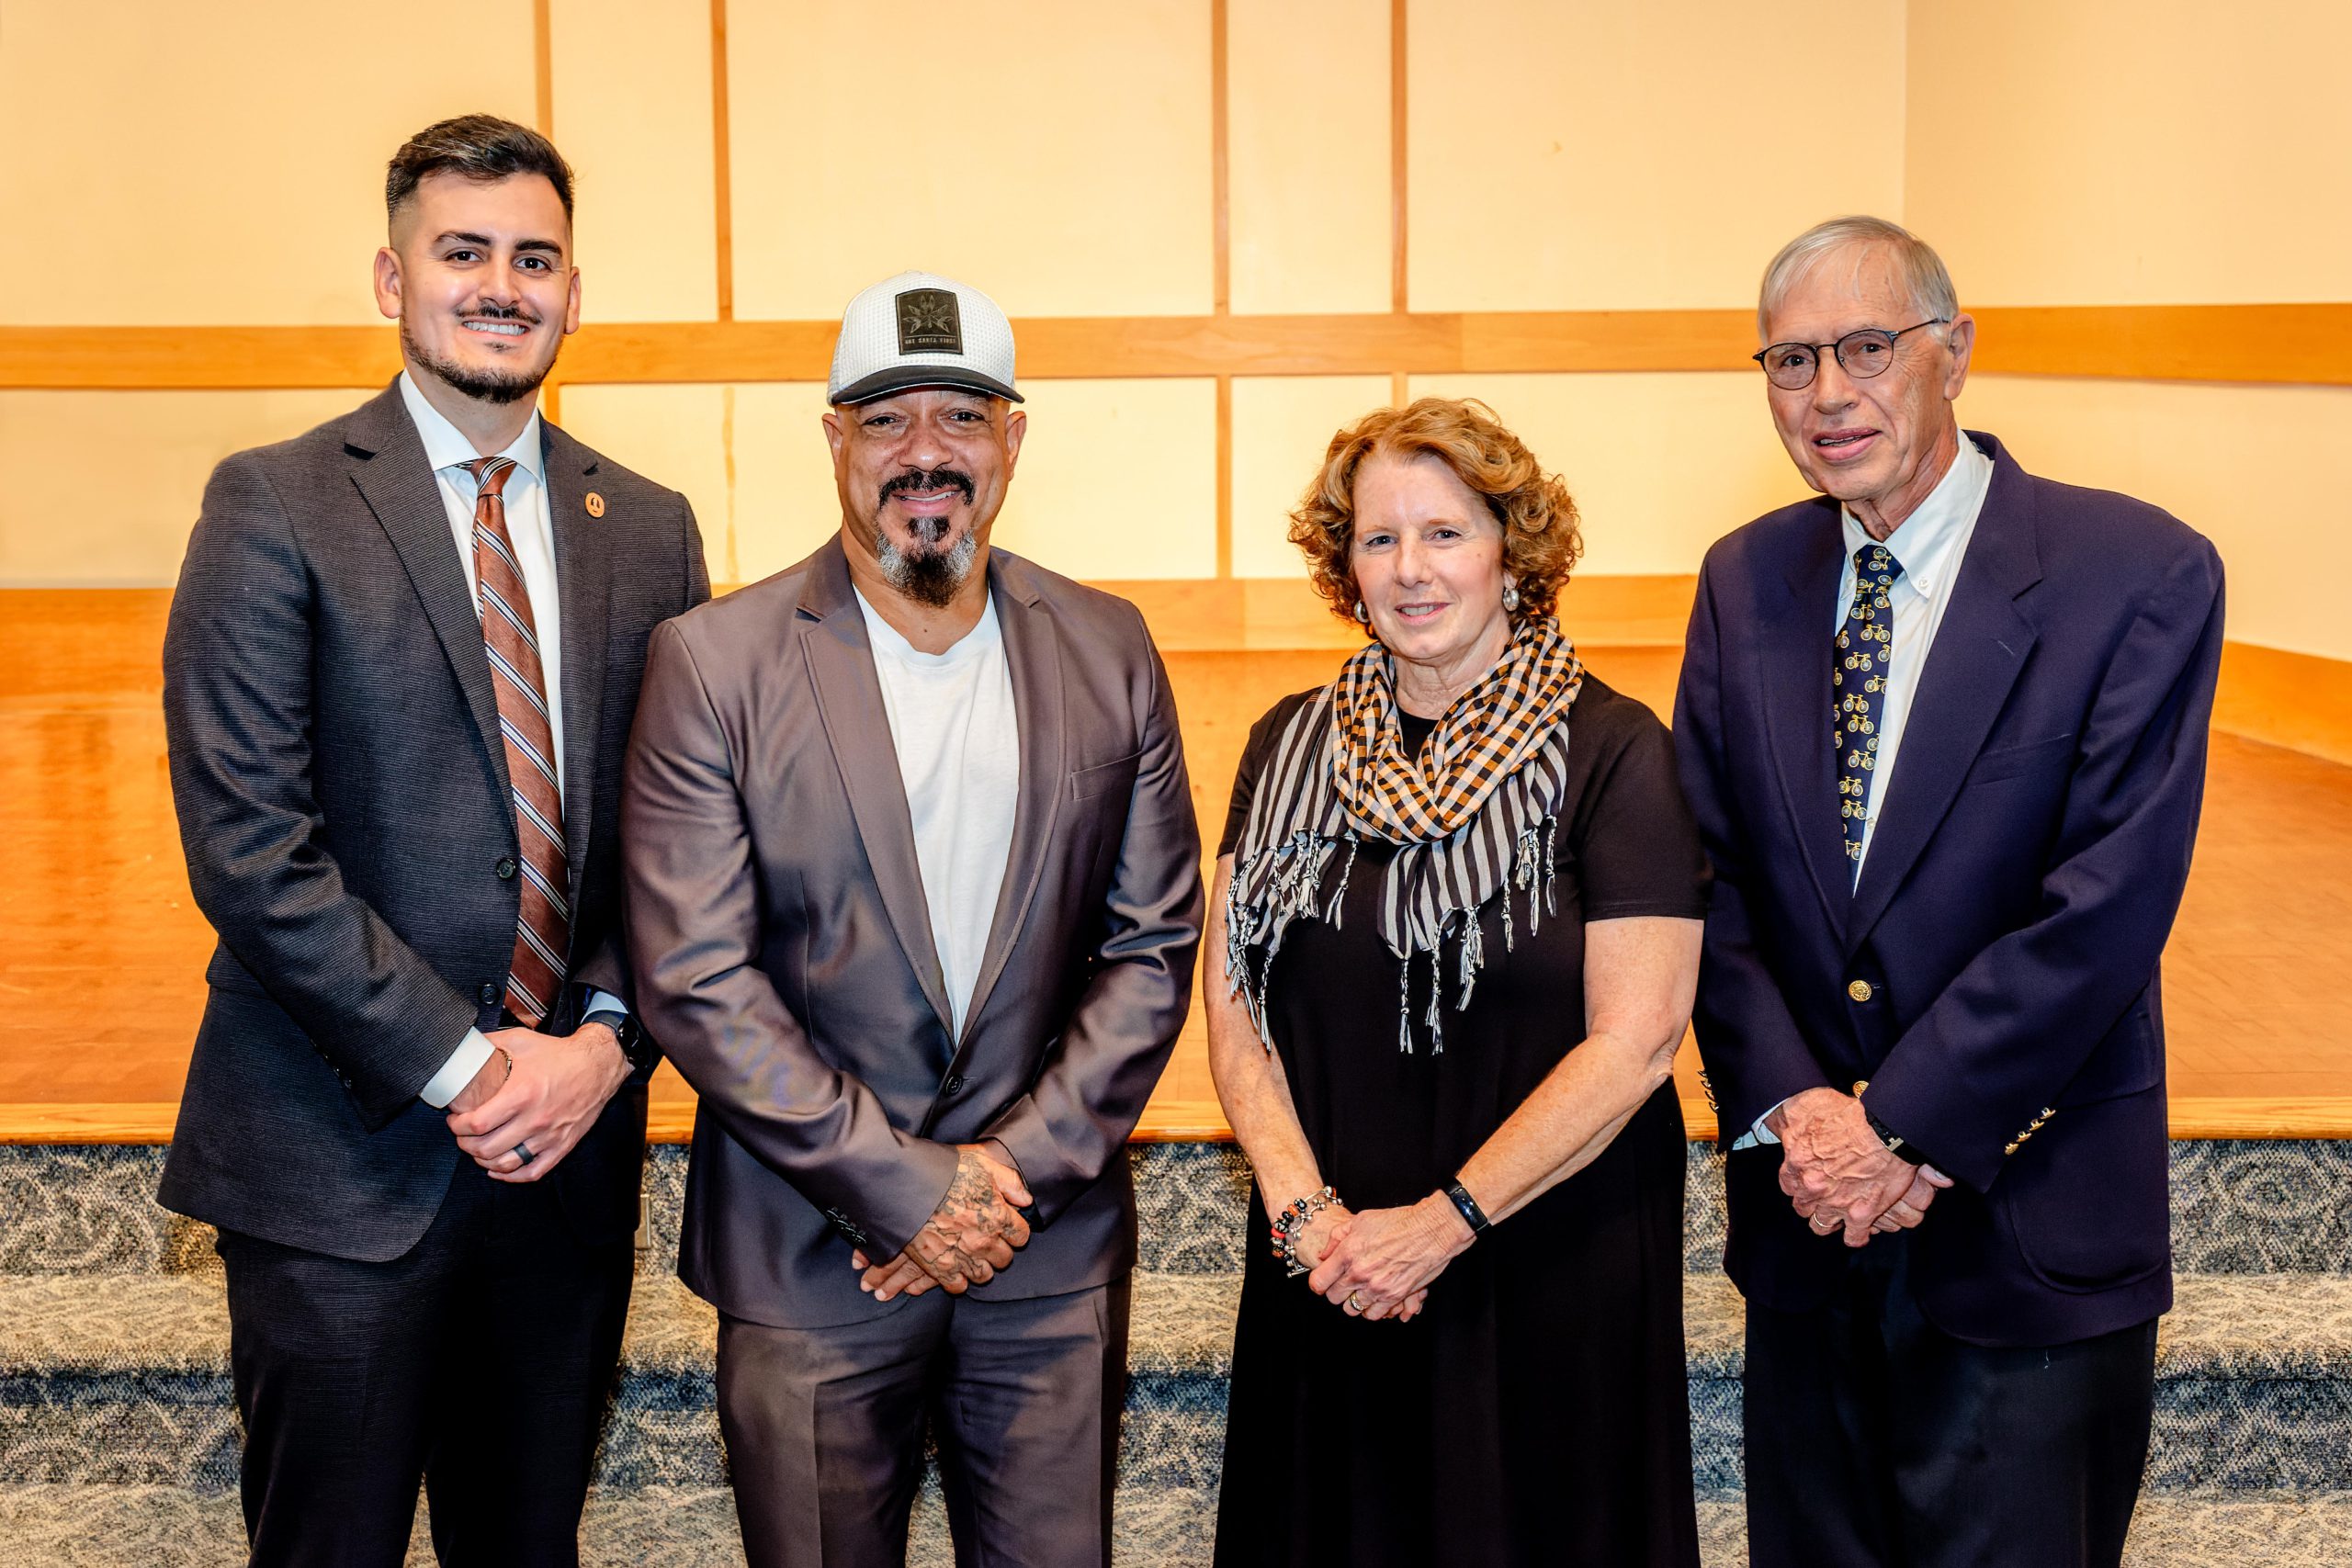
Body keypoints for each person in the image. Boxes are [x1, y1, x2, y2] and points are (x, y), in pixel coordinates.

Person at [158, 114, 708, 1564]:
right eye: (462, 252)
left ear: (576, 291)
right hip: (344, 1158)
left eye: (535, 257)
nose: (501, 285)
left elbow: (677, 838)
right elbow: (249, 847)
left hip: (570, 1159)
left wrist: (598, 1040)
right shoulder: (273, 502)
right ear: (392, 280)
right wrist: (470, 1068)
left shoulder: (648, 528)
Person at [620, 269, 1203, 1568]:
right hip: (808, 1248)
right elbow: (696, 972)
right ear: (834, 438)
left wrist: (1001, 1179)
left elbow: (1153, 943)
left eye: (961, 416)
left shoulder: (1109, 646)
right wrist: (900, 1188)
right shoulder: (714, 662)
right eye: (886, 421)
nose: (925, 453)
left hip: (1041, 1253)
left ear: (1013, 437)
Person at [1673, 215, 2225, 1568]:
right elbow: (1709, 878)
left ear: (1955, 352)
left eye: (1868, 346)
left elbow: (2102, 908)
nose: (1827, 393)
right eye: (1791, 358)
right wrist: (1799, 1107)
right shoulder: (1747, 580)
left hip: (2023, 1230)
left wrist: (1901, 1127)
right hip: (1809, 1231)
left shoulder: (2137, 575)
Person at [1206, 398, 1710, 1567]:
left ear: (1511, 549)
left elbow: (1636, 1041)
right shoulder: (1286, 744)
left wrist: (1440, 1227)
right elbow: (1232, 1008)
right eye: (1376, 540)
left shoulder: (1616, 751)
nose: (1410, 569)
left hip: (1542, 1250)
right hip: (1326, 1260)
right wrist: (1305, 1218)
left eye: (1444, 533)